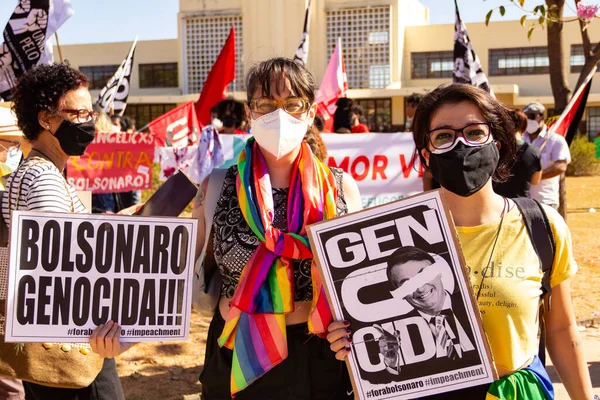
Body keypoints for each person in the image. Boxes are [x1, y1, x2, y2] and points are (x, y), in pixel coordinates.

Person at [328, 83, 594, 399]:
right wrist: (351, 343)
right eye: (443, 136)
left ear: (497, 141)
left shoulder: (541, 226)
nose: (461, 146)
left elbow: (562, 330)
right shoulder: (387, 238)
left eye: (474, 132)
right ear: (426, 154)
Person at [193, 57, 362, 399]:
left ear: (311, 110)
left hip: (320, 357)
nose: (279, 115)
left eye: (292, 104)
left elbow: (356, 276)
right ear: (250, 112)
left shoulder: (342, 188)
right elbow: (186, 272)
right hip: (237, 351)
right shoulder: (215, 186)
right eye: (266, 104)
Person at [1, 63, 133, 400]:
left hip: (50, 346)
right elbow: (63, 265)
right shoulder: (45, 179)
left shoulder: (28, 173)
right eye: (80, 113)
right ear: (46, 119)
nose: (89, 123)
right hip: (72, 351)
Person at [379, 246, 479, 376]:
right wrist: (392, 362)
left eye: (423, 276)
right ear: (401, 294)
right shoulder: (397, 335)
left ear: (438, 272)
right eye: (406, 284)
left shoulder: (477, 303)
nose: (420, 288)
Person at [522, 102, 571, 209]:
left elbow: (561, 166)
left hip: (545, 201)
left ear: (542, 117)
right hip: (522, 201)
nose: (528, 120)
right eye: (525, 116)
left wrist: (534, 177)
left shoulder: (555, 140)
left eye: (531, 116)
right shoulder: (520, 139)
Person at [493, 109, 542, 198]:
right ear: (524, 127)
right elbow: (535, 181)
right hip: (522, 204)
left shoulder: (494, 148)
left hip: (498, 204)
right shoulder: (533, 151)